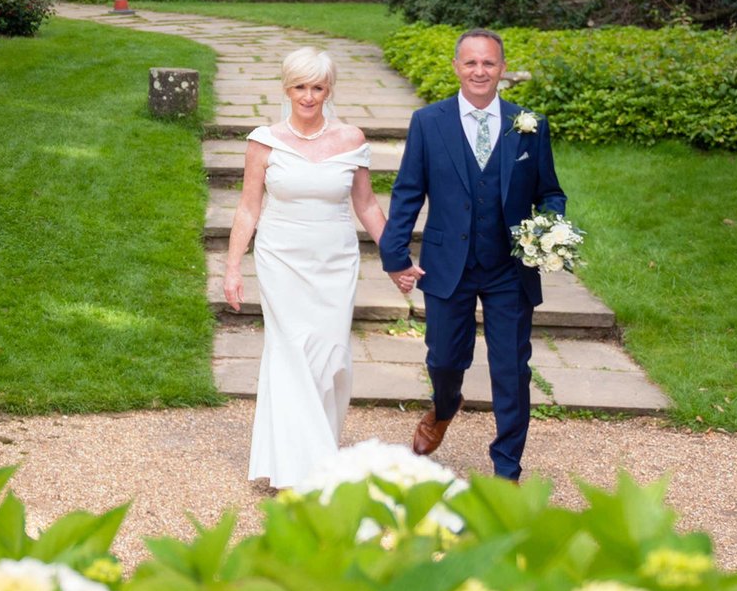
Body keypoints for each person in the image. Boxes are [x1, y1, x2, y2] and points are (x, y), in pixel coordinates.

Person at [378, 27, 566, 481]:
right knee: (443, 360)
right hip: (447, 266)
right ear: (456, 68)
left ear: (502, 69)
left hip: (509, 270)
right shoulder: (428, 122)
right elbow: (408, 192)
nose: (480, 71)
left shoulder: (530, 125)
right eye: (471, 62)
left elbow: (551, 193)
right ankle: (443, 408)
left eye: (489, 63)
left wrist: (545, 232)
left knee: (511, 369)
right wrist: (395, 253)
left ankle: (507, 470)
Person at [223, 46, 386, 489]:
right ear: (286, 88)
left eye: (317, 87)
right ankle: (303, 470)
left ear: (329, 89)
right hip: (282, 261)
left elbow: (367, 204)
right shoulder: (264, 140)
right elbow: (247, 208)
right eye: (300, 87)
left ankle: (315, 455)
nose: (309, 96)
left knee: (331, 358)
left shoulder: (352, 140)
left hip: (335, 262)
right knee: (292, 354)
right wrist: (233, 267)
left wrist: (397, 259)